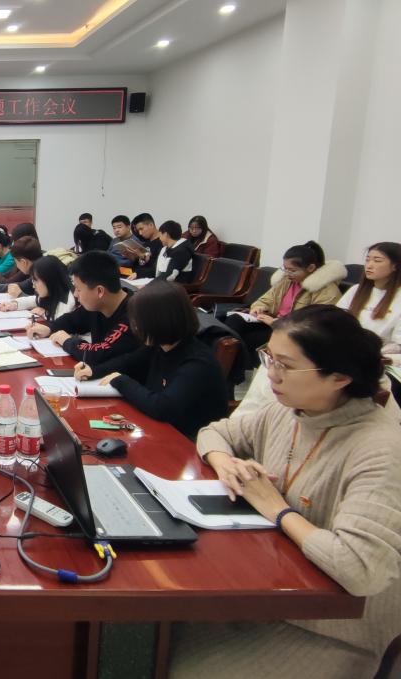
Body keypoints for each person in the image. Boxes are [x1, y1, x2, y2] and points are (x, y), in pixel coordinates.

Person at [171, 305, 401, 678]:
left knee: (176, 663)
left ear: (339, 378)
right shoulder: (293, 410)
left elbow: (359, 570)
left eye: (285, 366)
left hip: (331, 625)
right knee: (146, 632)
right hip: (268, 586)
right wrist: (225, 463)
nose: (271, 374)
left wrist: (277, 510)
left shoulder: (380, 449)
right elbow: (216, 432)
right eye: (270, 359)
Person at [95, 281, 227, 438]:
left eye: (139, 321)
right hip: (159, 430)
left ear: (161, 321)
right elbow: (127, 362)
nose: (135, 327)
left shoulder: (198, 362)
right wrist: (93, 371)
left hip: (192, 442)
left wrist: (121, 381)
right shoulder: (160, 346)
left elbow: (163, 408)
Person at [224, 241, 345, 367]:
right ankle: (227, 365)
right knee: (234, 321)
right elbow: (267, 299)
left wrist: (277, 323)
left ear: (310, 268)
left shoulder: (326, 291)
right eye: (285, 269)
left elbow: (316, 325)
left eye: (292, 270)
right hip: (273, 323)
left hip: (292, 333)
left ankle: (232, 368)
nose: (287, 274)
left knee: (249, 339)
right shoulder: (287, 281)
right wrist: (259, 308)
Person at [29, 251, 140, 379]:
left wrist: (67, 341)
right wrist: (49, 328)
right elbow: (72, 320)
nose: (75, 294)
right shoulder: (98, 304)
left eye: (79, 289)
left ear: (99, 291)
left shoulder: (134, 316)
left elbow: (98, 354)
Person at [339, 242, 401, 357]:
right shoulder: (355, 290)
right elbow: (336, 322)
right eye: (367, 260)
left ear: (395, 266)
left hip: (379, 357)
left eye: (377, 261)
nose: (369, 265)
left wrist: (374, 354)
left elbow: (398, 345)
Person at [2, 255, 75, 322]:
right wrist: (15, 304)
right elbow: (35, 300)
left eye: (36, 280)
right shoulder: (54, 293)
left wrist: (44, 313)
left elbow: (61, 322)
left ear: (49, 280)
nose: (33, 286)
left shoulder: (70, 300)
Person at [131, 213, 163, 278]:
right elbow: (140, 264)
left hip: (149, 279)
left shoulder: (163, 242)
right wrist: (133, 257)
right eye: (138, 230)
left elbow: (158, 269)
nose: (140, 233)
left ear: (151, 225)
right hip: (136, 277)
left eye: (141, 229)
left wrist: (144, 258)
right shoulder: (145, 243)